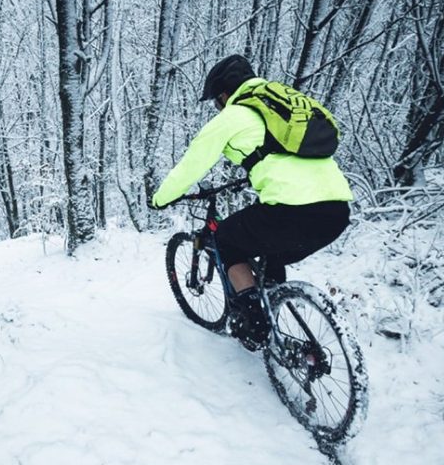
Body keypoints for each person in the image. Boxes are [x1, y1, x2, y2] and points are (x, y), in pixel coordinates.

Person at [151, 54, 353, 347]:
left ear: (224, 94)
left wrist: (160, 199)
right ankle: (273, 303)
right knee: (271, 253)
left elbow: (190, 166)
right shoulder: (285, 108)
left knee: (225, 241)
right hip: (336, 212)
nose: (218, 107)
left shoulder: (234, 116)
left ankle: (256, 328)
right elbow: (283, 157)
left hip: (292, 211)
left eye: (216, 101)